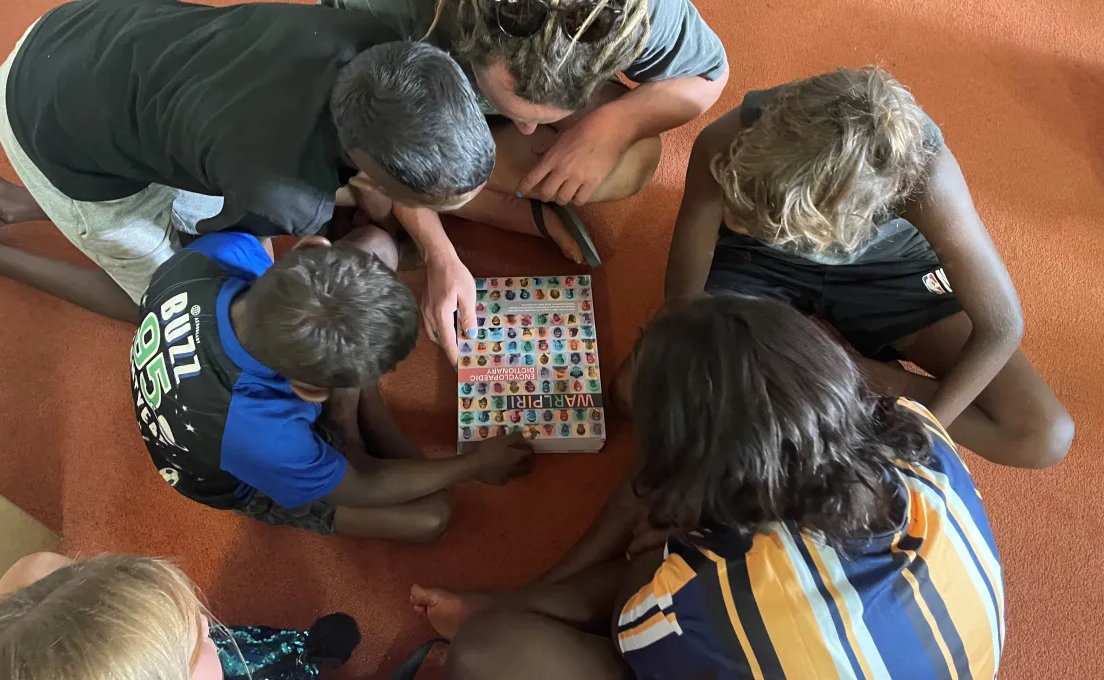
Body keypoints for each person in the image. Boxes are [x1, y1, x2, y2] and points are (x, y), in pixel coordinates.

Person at [411, 294, 1006, 680]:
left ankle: (507, 608)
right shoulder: (918, 432)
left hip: (714, 616)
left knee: (491, 653)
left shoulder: (692, 601)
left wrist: (656, 557)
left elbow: (632, 617)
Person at [614, 66, 1073, 469]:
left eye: (752, 214)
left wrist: (918, 428)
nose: (730, 219)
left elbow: (1002, 325)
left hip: (890, 272)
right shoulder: (727, 139)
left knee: (1042, 435)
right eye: (738, 203)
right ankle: (817, 366)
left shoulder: (928, 180)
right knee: (636, 390)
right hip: (761, 265)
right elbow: (683, 304)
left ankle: (832, 366)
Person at [0, 0, 493, 324]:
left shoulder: (382, 45)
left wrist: (433, 249)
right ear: (370, 175)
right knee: (175, 305)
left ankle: (9, 199)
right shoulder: (283, 194)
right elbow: (220, 245)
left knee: (187, 189)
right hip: (45, 126)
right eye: (422, 205)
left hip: (78, 33)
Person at [326, 0, 729, 364]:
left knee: (635, 160)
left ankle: (473, 195)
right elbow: (382, 144)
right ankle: (497, 207)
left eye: (544, 117)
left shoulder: (644, 9)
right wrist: (439, 254)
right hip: (390, 105)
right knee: (361, 172)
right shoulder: (382, 11)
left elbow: (709, 75)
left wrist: (614, 127)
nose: (529, 130)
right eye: (517, 112)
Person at [132, 224, 534, 543]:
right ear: (309, 391)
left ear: (309, 248)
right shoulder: (264, 436)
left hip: (224, 391)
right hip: (236, 470)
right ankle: (354, 423)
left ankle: (352, 418)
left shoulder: (216, 253)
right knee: (430, 515)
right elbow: (362, 486)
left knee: (378, 244)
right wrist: (474, 464)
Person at [0, 552, 362, 680]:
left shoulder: (33, 579)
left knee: (234, 648)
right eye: (191, 650)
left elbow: (36, 570)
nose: (202, 620)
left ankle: (303, 650)